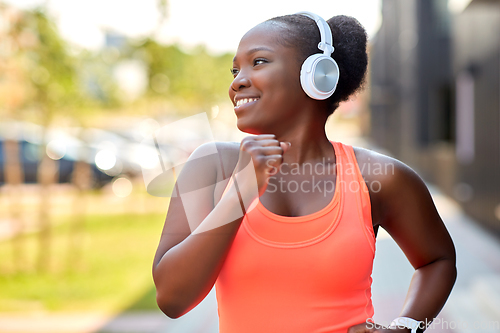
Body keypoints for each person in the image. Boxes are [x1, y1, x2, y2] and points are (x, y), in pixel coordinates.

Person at [152, 12, 457, 333]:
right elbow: (172, 299)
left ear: (318, 75)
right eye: (235, 69)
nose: (236, 81)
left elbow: (438, 261)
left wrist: (404, 327)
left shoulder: (378, 177)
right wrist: (240, 193)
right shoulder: (211, 166)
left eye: (258, 62)